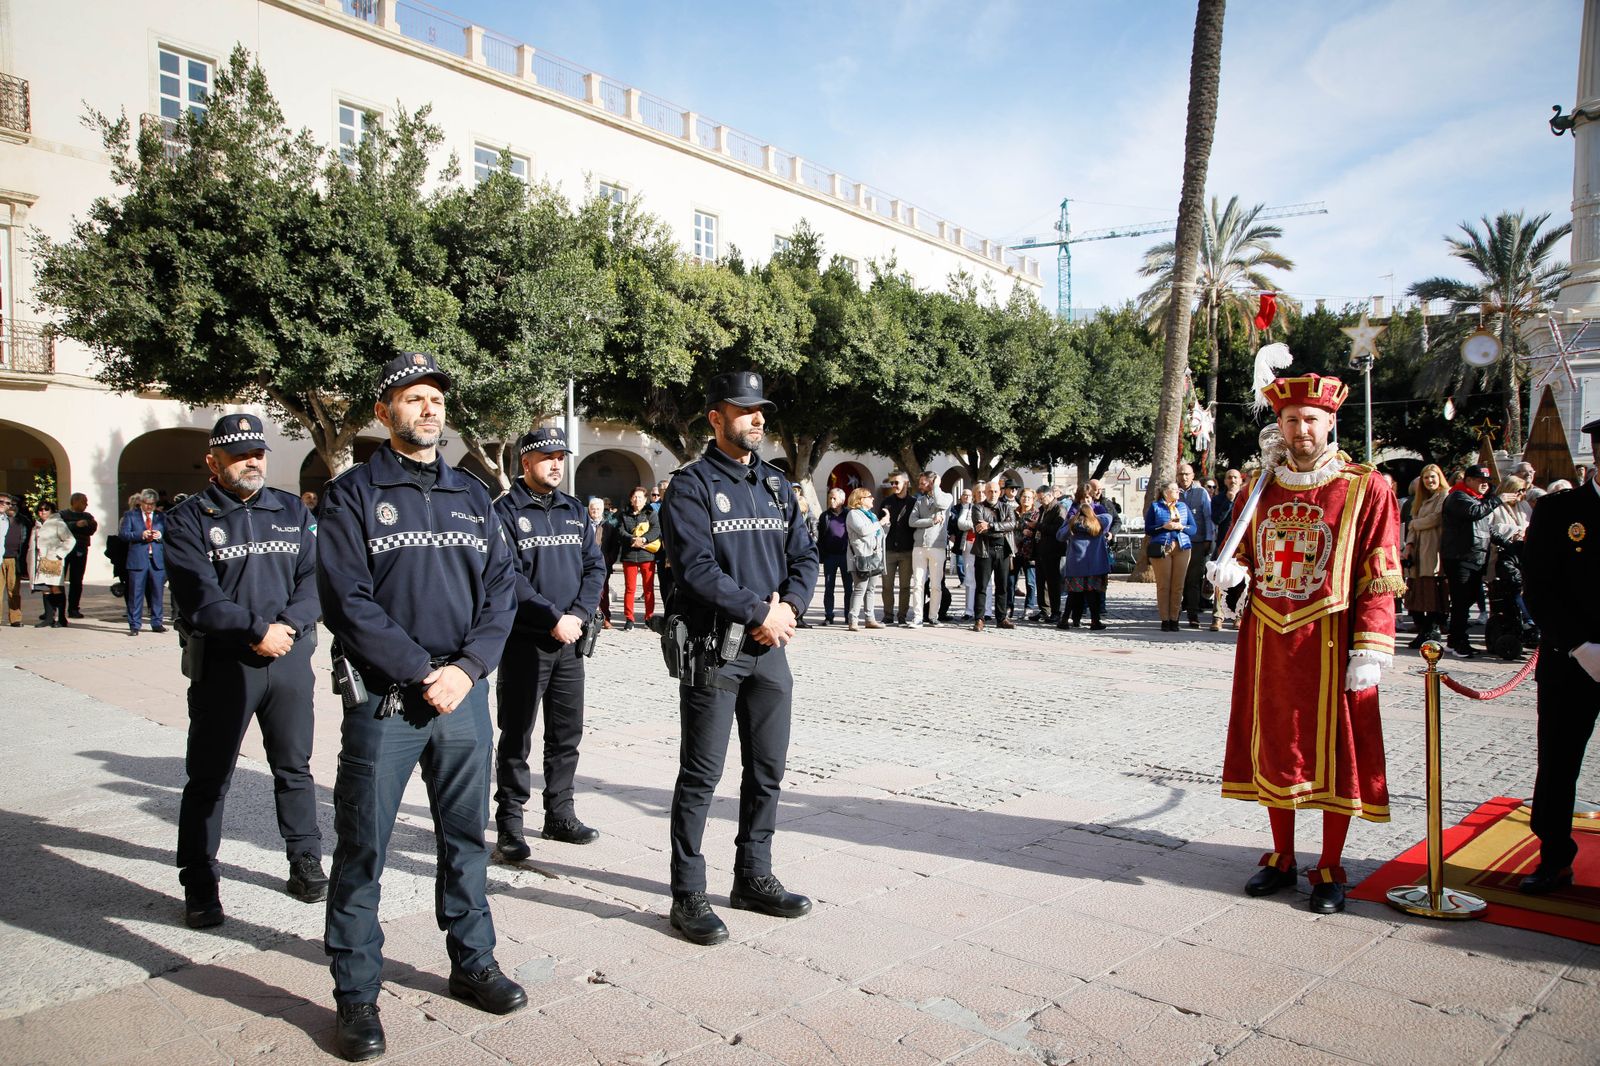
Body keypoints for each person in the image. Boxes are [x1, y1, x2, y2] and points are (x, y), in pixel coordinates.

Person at [318, 352, 524, 1060]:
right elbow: (347, 601)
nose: (429, 407)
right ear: (385, 411)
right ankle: (355, 996)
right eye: (413, 397)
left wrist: (466, 670)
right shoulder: (351, 494)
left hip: (463, 700)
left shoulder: (472, 496)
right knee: (363, 849)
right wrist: (419, 671)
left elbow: (501, 592)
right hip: (387, 701)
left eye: (436, 397)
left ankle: (473, 962)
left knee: (465, 840)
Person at [1207, 372, 1402, 913]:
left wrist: (1372, 645)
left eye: (1310, 419)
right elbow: (1240, 550)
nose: (1301, 430)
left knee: (1335, 751)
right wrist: (1233, 572)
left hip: (1333, 638)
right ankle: (1283, 855)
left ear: (1330, 421)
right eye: (1291, 421)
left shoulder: (1367, 487)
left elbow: (1379, 571)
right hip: (1269, 637)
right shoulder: (1258, 488)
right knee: (1276, 745)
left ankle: (1332, 864)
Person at [660, 370, 818, 946]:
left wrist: (790, 610)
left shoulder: (777, 486)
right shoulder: (692, 485)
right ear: (716, 418)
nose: (757, 419)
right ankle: (688, 893)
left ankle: (753, 876)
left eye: (761, 411)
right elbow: (697, 570)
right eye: (744, 410)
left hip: (770, 650)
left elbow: (804, 557)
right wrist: (761, 612)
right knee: (701, 775)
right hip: (713, 650)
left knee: (767, 771)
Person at [163, 414, 325, 930]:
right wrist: (258, 630)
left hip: (289, 660)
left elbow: (314, 581)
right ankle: (199, 880)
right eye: (238, 455)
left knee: (295, 768)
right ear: (214, 462)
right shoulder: (188, 519)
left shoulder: (290, 510)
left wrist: (289, 628)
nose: (251, 461)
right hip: (226, 664)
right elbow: (199, 598)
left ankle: (304, 862)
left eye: (257, 452)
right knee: (209, 778)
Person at [493, 426, 607, 862]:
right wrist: (551, 618)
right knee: (517, 734)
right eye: (547, 457)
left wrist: (576, 616)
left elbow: (595, 568)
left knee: (566, 735)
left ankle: (560, 814)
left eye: (561, 456)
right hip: (525, 643)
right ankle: (510, 822)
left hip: (570, 642)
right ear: (526, 463)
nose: (557, 463)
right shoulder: (503, 511)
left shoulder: (574, 510)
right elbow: (508, 577)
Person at [1518, 416, 1600, 896]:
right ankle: (1553, 858)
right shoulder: (1557, 511)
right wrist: (1580, 645)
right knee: (1558, 763)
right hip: (1571, 659)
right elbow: (1539, 587)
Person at [1440, 464, 1501, 659]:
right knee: (1461, 602)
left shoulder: (1476, 500)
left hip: (1475, 558)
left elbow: (1485, 527)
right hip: (1460, 558)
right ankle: (1458, 641)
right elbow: (1475, 513)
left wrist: (1506, 541)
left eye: (1486, 482)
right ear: (1468, 480)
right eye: (1480, 480)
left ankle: (1455, 639)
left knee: (1468, 600)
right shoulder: (1458, 497)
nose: (1484, 485)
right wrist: (1498, 499)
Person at [1402, 464, 1449, 649]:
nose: (1430, 481)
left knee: (1432, 592)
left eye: (1432, 477)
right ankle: (1423, 630)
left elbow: (1435, 519)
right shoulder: (1420, 500)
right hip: (1418, 551)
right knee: (1417, 592)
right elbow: (1413, 525)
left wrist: (1415, 524)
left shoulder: (1444, 495)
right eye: (1426, 478)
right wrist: (1409, 545)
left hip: (1433, 548)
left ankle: (1432, 629)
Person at [1058, 484, 1111, 630]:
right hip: (1094, 563)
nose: (1085, 502)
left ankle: (1064, 620)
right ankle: (1095, 621)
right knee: (1092, 593)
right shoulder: (1099, 521)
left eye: (1087, 498)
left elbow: (1060, 535)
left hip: (1076, 564)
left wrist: (1074, 519)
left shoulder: (1073, 521)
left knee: (1074, 593)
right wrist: (1091, 516)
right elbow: (1108, 518)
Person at [1144, 480, 1194, 632]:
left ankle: (1175, 618)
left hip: (1182, 546)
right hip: (1162, 547)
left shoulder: (1183, 507)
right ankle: (1165, 619)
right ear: (1166, 492)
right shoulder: (1155, 507)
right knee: (1164, 585)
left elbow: (1193, 529)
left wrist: (1182, 527)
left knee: (1178, 585)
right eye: (1174, 489)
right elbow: (1149, 529)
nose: (1178, 492)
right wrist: (1163, 527)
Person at [969, 478, 1016, 632]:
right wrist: (1000, 528)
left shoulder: (1006, 507)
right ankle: (979, 618)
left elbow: (1012, 524)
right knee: (982, 586)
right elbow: (979, 528)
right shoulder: (978, 508)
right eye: (990, 491)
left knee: (1002, 586)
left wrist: (990, 525)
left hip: (1002, 551)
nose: (993, 494)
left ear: (1000, 492)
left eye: (996, 491)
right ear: (985, 492)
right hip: (984, 550)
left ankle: (1001, 618)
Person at [120, 489, 168, 634]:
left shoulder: (161, 516)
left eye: (152, 504)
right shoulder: (130, 516)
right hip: (138, 559)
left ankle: (157, 622)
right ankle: (134, 625)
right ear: (141, 502)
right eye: (146, 504)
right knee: (136, 593)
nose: (149, 507)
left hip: (157, 559)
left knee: (157, 592)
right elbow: (123, 534)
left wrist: (160, 535)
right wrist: (140, 534)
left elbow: (170, 534)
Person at [907, 470, 951, 627]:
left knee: (936, 585)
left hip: (937, 546)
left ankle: (933, 616)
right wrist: (931, 520)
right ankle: (917, 616)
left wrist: (937, 486)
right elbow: (912, 521)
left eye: (923, 483)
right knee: (918, 583)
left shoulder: (946, 497)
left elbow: (940, 504)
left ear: (932, 483)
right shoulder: (919, 501)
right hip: (919, 546)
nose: (919, 485)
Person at [617, 486, 661, 631]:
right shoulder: (623, 514)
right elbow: (620, 531)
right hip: (629, 555)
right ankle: (629, 618)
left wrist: (643, 539)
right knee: (630, 589)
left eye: (640, 497)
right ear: (631, 499)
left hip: (646, 554)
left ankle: (649, 617)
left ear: (645, 499)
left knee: (648, 589)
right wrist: (631, 539)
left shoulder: (650, 513)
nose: (637, 500)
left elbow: (656, 530)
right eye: (635, 497)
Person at [1178, 463, 1215, 628]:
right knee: (1178, 580)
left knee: (1193, 580)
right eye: (1180, 474)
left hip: (1197, 542)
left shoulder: (1201, 493)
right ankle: (1173, 614)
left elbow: (1208, 517)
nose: (1184, 477)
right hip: (1176, 543)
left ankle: (1193, 614)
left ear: (1193, 476)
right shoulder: (1172, 492)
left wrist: (1208, 539)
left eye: (1187, 474)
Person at [876, 472, 915, 627]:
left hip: (907, 550)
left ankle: (902, 615)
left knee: (905, 586)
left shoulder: (913, 502)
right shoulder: (886, 502)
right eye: (892, 483)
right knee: (887, 585)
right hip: (889, 549)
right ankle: (888, 614)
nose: (894, 486)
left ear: (905, 483)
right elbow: (880, 522)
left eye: (896, 482)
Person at [845, 486, 887, 631]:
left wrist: (884, 525)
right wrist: (880, 524)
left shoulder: (872, 515)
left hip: (874, 557)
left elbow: (879, 534)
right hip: (861, 557)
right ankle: (853, 620)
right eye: (869, 496)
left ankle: (870, 619)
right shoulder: (853, 514)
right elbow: (863, 531)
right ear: (861, 499)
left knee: (871, 589)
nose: (873, 498)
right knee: (859, 588)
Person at [1209, 469, 1245, 630]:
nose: (1232, 480)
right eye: (1229, 478)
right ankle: (1218, 616)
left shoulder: (1247, 498)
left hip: (1242, 546)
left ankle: (1238, 615)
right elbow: (1217, 519)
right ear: (1225, 482)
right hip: (1224, 544)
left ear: (1241, 480)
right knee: (1220, 580)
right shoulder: (1218, 499)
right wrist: (1229, 502)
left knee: (1241, 581)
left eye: (1235, 477)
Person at [29, 501, 74, 627]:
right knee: (45, 589)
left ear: (52, 511)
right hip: (41, 560)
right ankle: (48, 618)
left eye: (46, 509)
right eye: (40, 509)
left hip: (53, 559)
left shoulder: (58, 523)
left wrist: (59, 554)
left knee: (56, 588)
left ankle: (61, 618)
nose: (42, 512)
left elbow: (70, 539)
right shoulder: (37, 524)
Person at [56, 493, 98, 619]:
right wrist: (75, 525)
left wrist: (84, 526)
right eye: (84, 502)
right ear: (75, 502)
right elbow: (59, 528)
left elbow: (92, 528)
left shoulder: (87, 516)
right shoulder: (62, 514)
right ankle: (57, 608)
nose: (86, 504)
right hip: (63, 551)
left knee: (77, 580)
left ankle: (74, 608)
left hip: (80, 550)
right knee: (58, 581)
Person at [815, 487, 853, 625]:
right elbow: (820, 536)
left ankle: (848, 615)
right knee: (828, 587)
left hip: (846, 556)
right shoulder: (825, 516)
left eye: (834, 498)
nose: (831, 500)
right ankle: (829, 615)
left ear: (842, 500)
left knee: (848, 588)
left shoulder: (849, 514)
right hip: (830, 556)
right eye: (830, 497)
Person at [1033, 487, 1064, 624]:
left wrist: (1037, 526)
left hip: (1053, 550)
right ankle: (1045, 610)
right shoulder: (1042, 510)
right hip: (1041, 549)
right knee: (1041, 582)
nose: (1040, 501)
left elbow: (1057, 530)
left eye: (1042, 498)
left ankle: (1056, 611)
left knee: (1053, 583)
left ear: (1050, 495)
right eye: (1039, 499)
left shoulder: (1058, 509)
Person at [589, 496, 621, 629]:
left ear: (602, 510)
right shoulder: (583, 525)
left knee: (603, 591)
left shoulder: (609, 526)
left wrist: (609, 559)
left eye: (597, 509)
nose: (595, 511)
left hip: (603, 563)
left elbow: (615, 546)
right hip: (586, 563)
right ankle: (588, 617)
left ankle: (605, 618)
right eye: (592, 509)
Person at [1, 494, 28, 626]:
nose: (10, 507)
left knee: (14, 591)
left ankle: (15, 618)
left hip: (14, 559)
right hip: (0, 558)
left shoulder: (24, 521)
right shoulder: (2, 519)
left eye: (12, 504)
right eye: (7, 504)